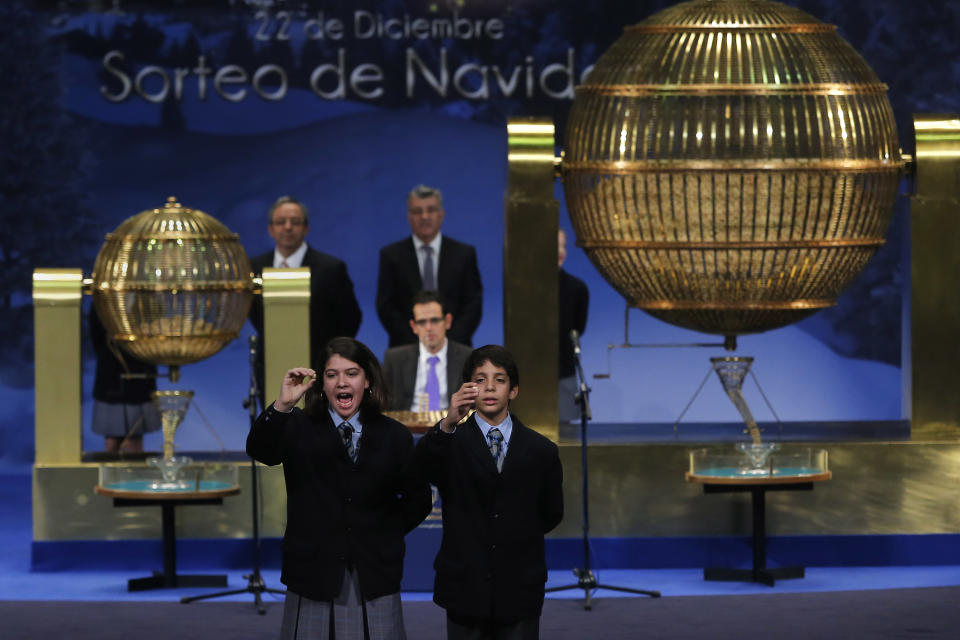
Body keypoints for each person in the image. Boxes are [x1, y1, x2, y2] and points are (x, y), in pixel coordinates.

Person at [247, 337, 432, 640]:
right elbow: (260, 450)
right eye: (332, 375)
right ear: (321, 384)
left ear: (367, 380)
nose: (341, 383)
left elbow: (419, 499)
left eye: (351, 373)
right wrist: (282, 405)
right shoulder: (296, 426)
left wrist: (382, 531)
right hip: (313, 573)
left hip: (373, 574)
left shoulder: (394, 435)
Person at [416, 345, 564, 639]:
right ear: (468, 388)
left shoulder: (541, 451)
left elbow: (550, 513)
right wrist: (448, 422)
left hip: (520, 583)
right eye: (480, 379)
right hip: (465, 583)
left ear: (514, 390)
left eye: (499, 379)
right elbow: (420, 468)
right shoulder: (450, 442)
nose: (490, 387)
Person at [249, 196, 362, 406]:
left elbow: (350, 319)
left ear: (306, 228)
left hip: (319, 370)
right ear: (271, 229)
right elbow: (253, 314)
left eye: (295, 221)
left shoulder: (331, 268)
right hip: (271, 366)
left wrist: (331, 360)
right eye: (281, 222)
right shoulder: (254, 268)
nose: (288, 227)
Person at [376, 184, 483, 348]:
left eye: (431, 210)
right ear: (409, 217)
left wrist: (447, 343)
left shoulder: (464, 254)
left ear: (441, 214)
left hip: (456, 347)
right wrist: (417, 341)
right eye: (417, 211)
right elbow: (386, 306)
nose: (424, 216)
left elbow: (473, 304)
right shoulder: (391, 255)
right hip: (406, 349)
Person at [382, 290, 473, 412]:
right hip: (407, 428)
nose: (429, 328)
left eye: (434, 320)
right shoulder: (394, 359)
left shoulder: (468, 357)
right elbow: (384, 405)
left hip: (453, 428)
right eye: (422, 322)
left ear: (448, 321)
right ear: (414, 326)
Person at [89, 304, 161, 453]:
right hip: (111, 379)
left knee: (134, 439)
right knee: (113, 440)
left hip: (140, 380)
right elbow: (97, 337)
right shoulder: (103, 303)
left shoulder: (145, 302)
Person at [557, 229, 589, 423]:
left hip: (564, 374)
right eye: (554, 246)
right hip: (529, 379)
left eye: (563, 245)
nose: (560, 251)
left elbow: (578, 329)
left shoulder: (577, 289)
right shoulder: (523, 288)